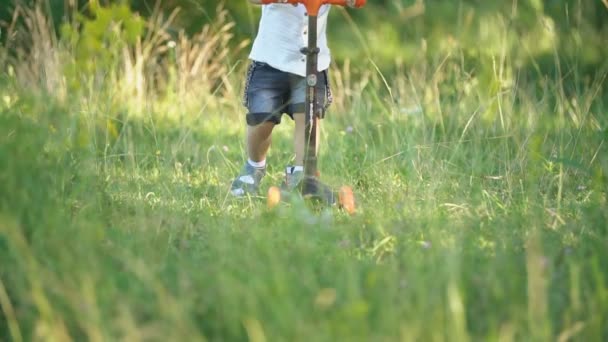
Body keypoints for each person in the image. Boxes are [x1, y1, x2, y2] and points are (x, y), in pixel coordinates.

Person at [230, 0, 333, 196]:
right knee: (261, 119)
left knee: (309, 117)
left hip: (311, 64)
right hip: (270, 61)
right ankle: (254, 166)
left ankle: (303, 173)